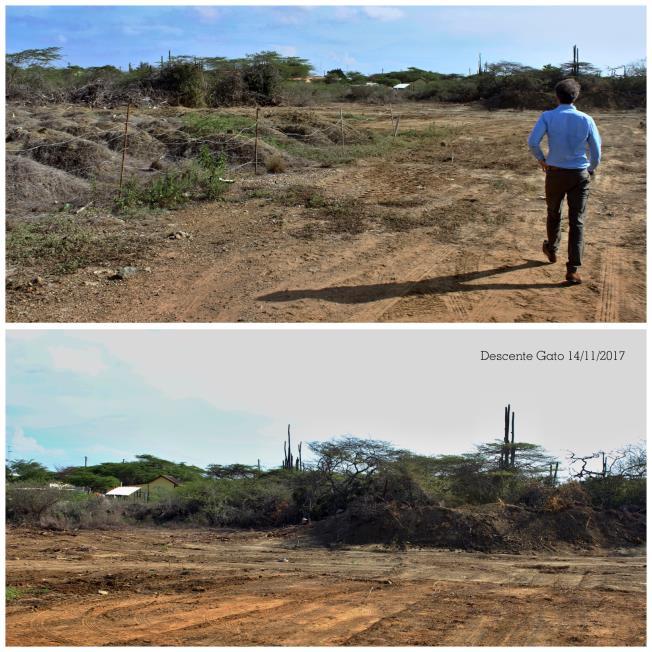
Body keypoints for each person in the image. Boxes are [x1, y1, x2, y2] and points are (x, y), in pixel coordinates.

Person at [527, 78, 601, 284]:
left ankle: (552, 248)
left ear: (556, 96)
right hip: (579, 175)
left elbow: (533, 142)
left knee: (554, 213)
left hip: (555, 173)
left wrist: (542, 160)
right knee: (577, 221)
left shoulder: (547, 116)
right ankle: (573, 270)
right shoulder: (587, 119)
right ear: (576, 96)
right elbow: (596, 152)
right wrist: (591, 169)